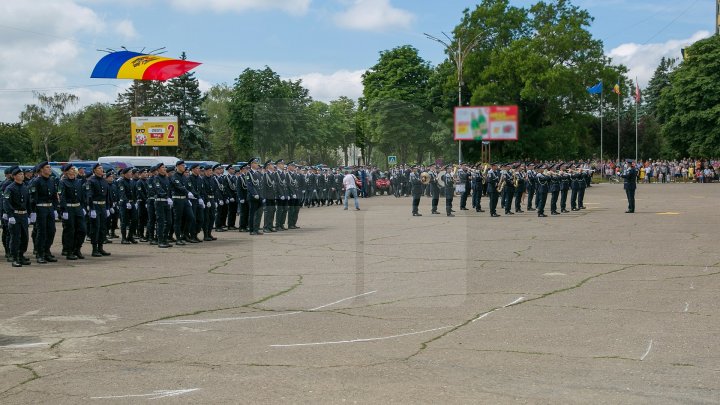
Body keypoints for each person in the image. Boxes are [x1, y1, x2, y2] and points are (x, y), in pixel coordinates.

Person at [29, 161, 58, 263]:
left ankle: (47, 251)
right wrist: (33, 212)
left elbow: (54, 196)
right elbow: (33, 198)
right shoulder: (36, 181)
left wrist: (55, 209)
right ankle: (39, 253)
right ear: (41, 170)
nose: (49, 169)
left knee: (51, 231)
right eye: (47, 167)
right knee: (41, 232)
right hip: (40, 209)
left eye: (49, 167)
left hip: (49, 209)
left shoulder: (51, 180)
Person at [3, 167, 31, 267]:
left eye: (22, 174)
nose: (22, 176)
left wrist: (29, 214)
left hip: (23, 215)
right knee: (15, 238)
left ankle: (21, 255)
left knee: (25, 237)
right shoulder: (9, 188)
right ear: (14, 176)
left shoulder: (25, 187)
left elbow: (28, 202)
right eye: (19, 174)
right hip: (14, 215)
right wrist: (10, 215)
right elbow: (6, 202)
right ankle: (14, 257)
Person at [58, 164, 86, 260]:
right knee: (70, 231)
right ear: (66, 172)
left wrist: (83, 207)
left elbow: (82, 195)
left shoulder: (78, 181)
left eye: (74, 169)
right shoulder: (63, 182)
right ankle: (69, 251)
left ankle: (77, 249)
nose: (73, 170)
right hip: (69, 209)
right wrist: (64, 210)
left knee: (82, 229)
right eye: (71, 169)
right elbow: (62, 197)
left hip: (78, 208)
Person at [85, 163, 111, 257]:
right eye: (99, 168)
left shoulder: (104, 181)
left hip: (103, 207)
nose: (101, 169)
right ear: (94, 170)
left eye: (102, 168)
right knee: (95, 228)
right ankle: (94, 249)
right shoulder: (91, 181)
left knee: (103, 228)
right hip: (95, 206)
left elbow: (107, 196)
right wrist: (91, 209)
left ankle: (101, 247)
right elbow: (89, 196)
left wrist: (108, 207)